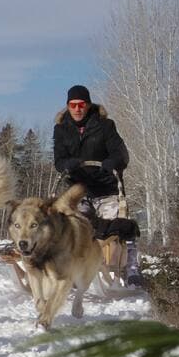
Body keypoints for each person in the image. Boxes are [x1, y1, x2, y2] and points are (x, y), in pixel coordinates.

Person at [52, 84, 143, 287]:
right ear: (68, 106)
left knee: (117, 226)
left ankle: (131, 267)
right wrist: (67, 164)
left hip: (106, 187)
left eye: (81, 104)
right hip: (78, 190)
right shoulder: (61, 129)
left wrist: (114, 162)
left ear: (88, 105)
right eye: (73, 105)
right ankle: (73, 268)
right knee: (74, 228)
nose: (77, 109)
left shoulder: (105, 126)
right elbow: (59, 161)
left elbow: (121, 154)